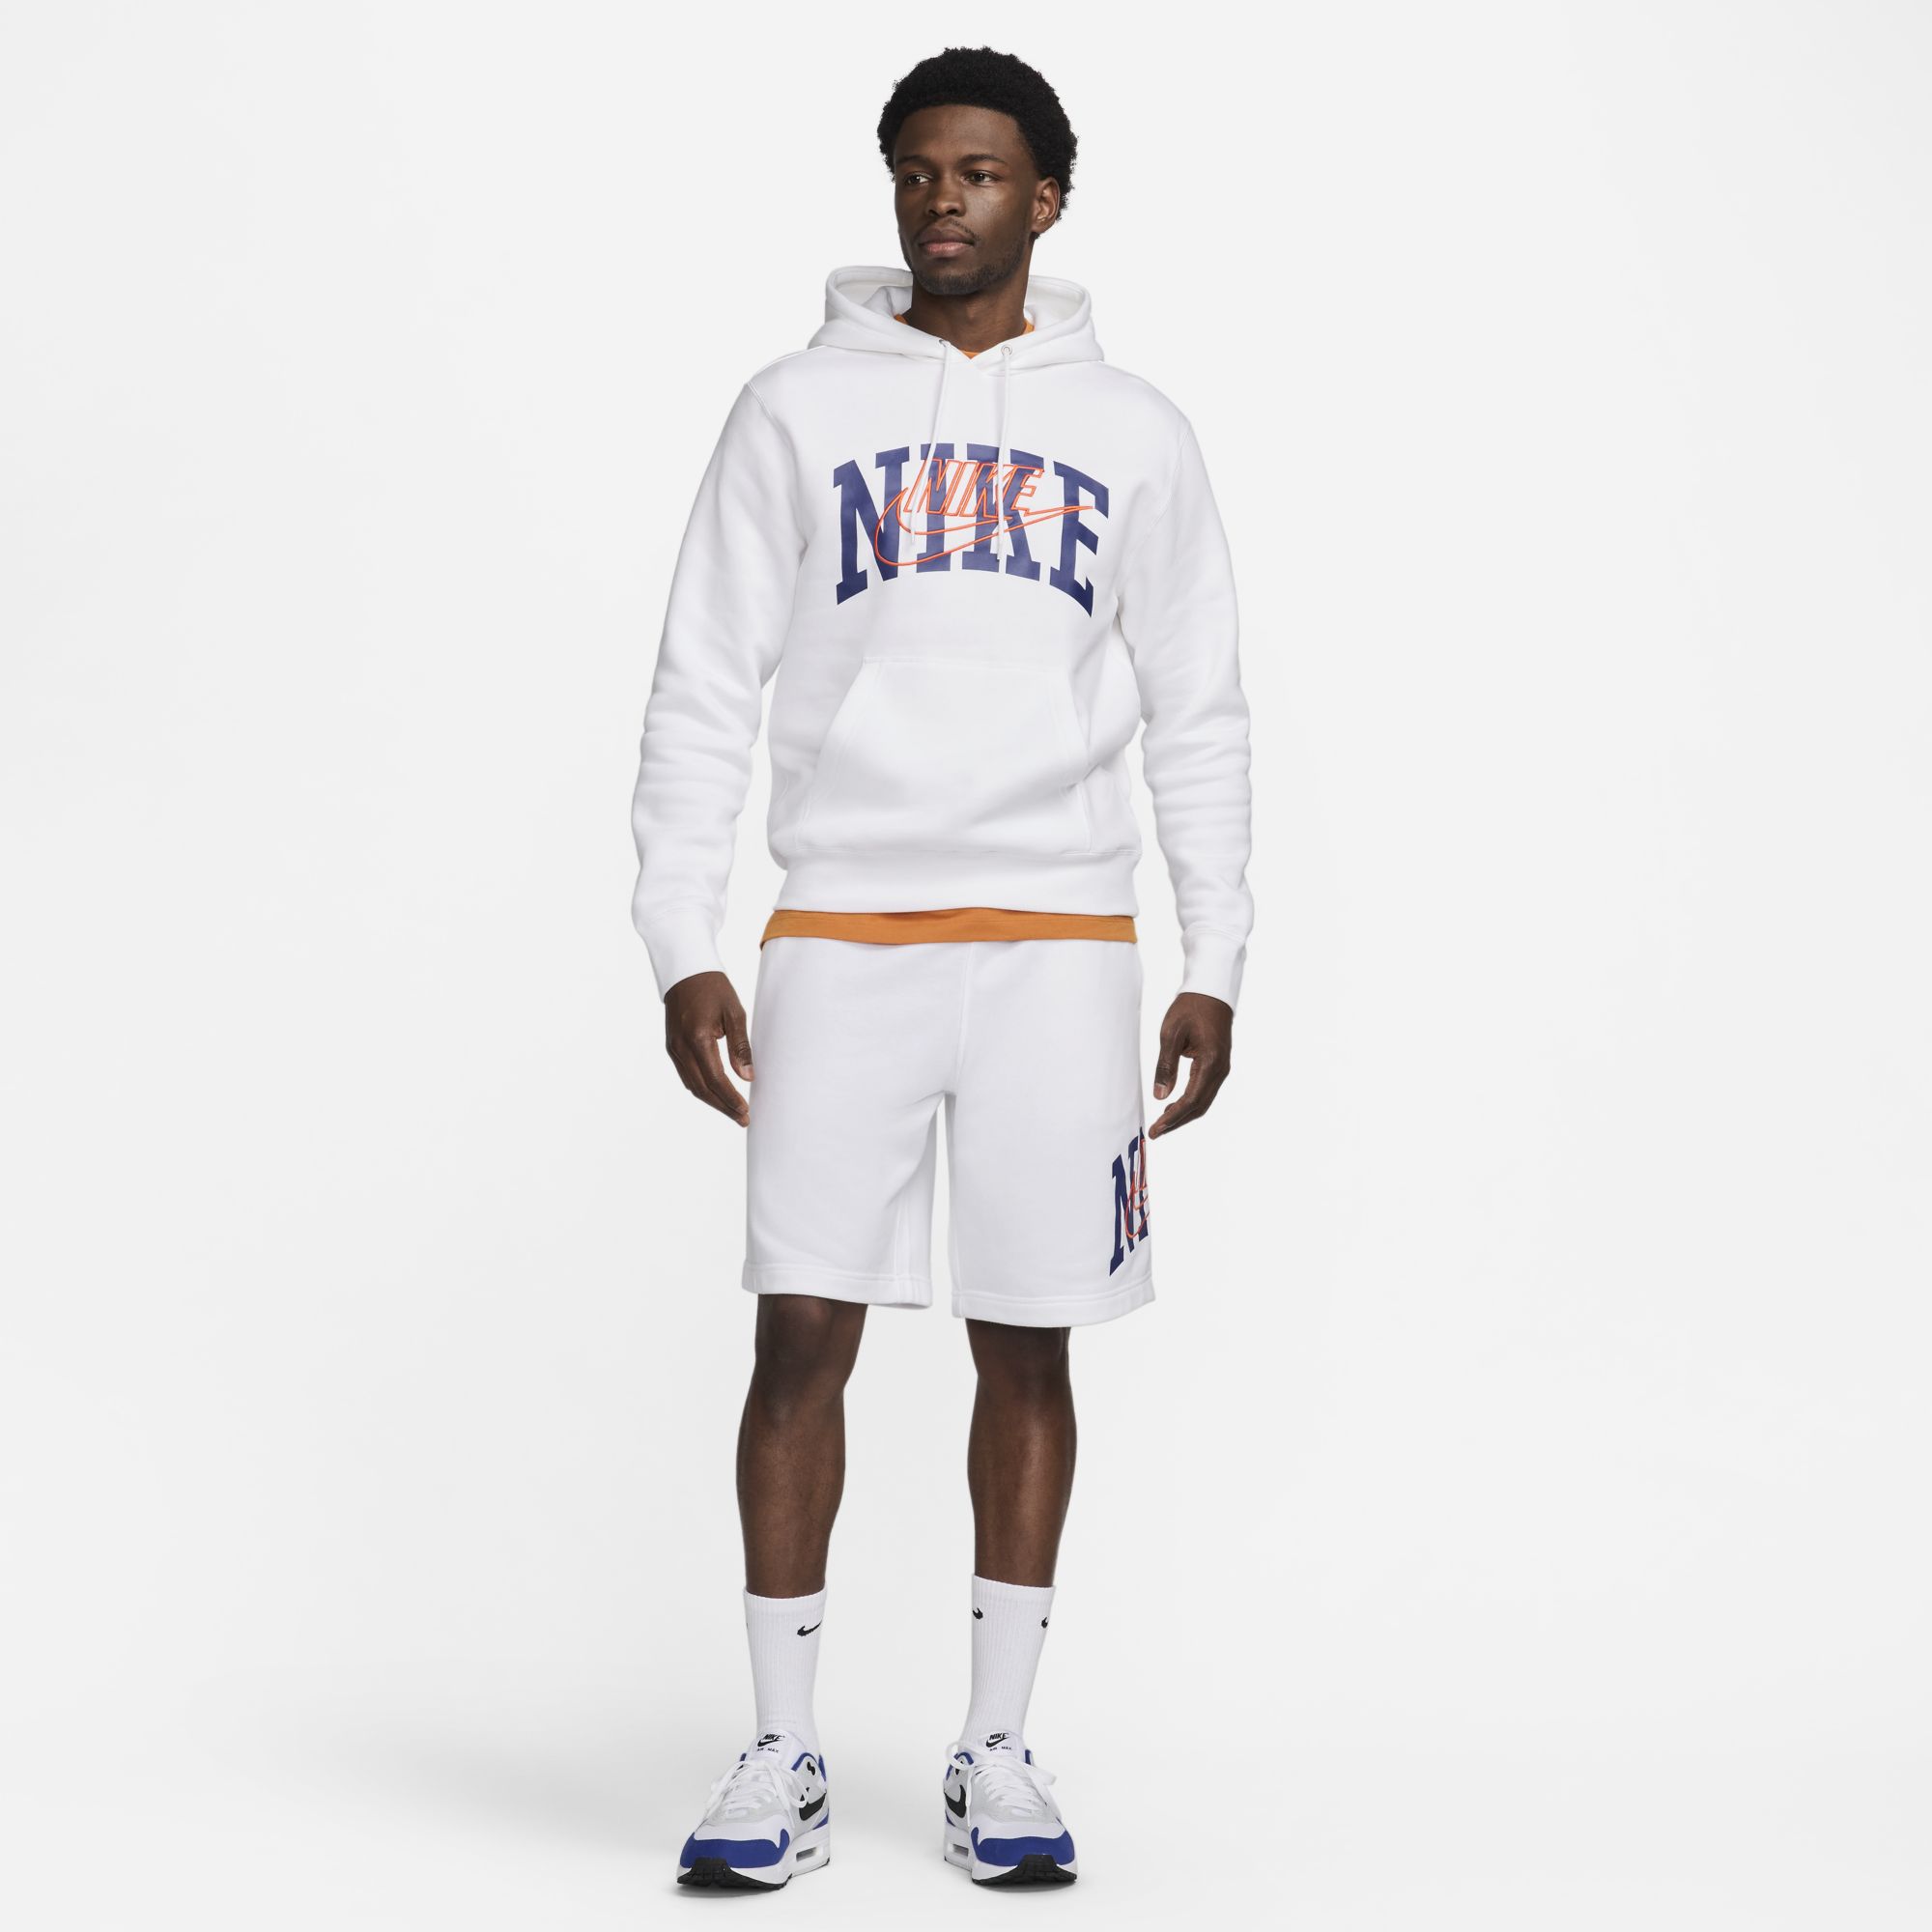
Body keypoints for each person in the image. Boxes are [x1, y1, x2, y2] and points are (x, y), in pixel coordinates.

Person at [631, 45, 1254, 1891]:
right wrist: (682, 938)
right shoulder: (792, 408)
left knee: (1027, 1334)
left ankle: (996, 1749)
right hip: (842, 930)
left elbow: (1201, 707)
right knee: (799, 1329)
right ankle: (782, 1749)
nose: (941, 201)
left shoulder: (1134, 430)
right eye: (916, 170)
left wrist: (1215, 953)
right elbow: (701, 679)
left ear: (1045, 198)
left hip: (1062, 941)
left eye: (979, 174)